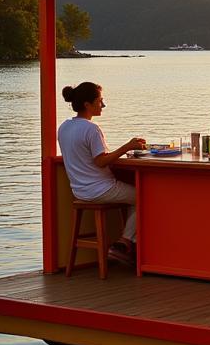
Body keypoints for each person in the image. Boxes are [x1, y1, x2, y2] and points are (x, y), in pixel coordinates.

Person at [58, 82, 146, 266]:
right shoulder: (91, 129)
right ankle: (124, 243)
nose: (103, 105)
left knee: (135, 197)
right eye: (100, 101)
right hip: (100, 189)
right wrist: (127, 147)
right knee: (144, 197)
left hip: (79, 190)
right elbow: (101, 161)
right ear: (87, 105)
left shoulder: (64, 127)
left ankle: (127, 244)